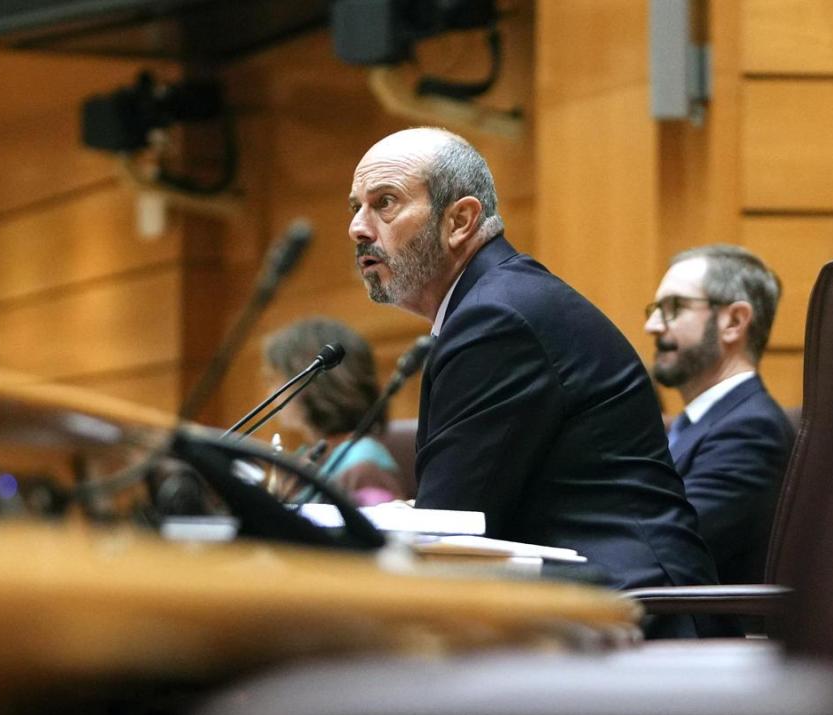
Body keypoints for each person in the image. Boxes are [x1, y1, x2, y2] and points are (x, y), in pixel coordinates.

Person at [347, 127, 716, 614]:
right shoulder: (496, 302)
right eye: (355, 207)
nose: (358, 228)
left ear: (460, 220)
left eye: (385, 203)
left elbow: (451, 523)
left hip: (634, 610)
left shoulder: (497, 318)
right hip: (588, 597)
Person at [644, 245, 795, 584]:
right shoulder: (692, 425)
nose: (652, 326)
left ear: (734, 322)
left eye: (673, 308)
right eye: (655, 310)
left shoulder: (752, 431)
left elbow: (666, 548)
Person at [262, 316, 404, 505]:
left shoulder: (363, 465)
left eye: (275, 380)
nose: (270, 393)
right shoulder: (306, 456)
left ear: (315, 384)